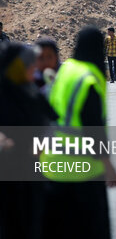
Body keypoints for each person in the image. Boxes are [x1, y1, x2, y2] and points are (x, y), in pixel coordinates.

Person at [43, 26, 116, 239]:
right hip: (82, 170)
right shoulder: (89, 79)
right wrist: (108, 165)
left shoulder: (67, 70)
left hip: (53, 164)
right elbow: (93, 128)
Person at [0, 42, 58, 239]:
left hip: (34, 173)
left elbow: (50, 121)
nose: (34, 67)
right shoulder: (4, 95)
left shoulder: (30, 91)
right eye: (29, 64)